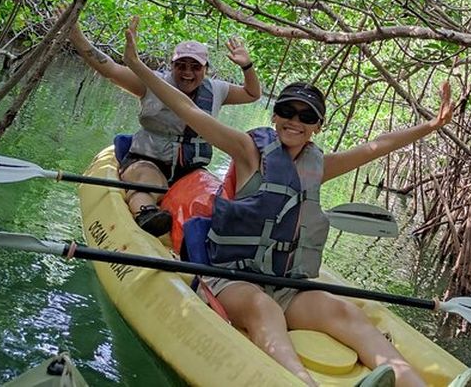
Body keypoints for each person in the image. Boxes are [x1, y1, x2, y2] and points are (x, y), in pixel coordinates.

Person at [123, 20, 452, 387]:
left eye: (306, 116)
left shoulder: (319, 166)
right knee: (263, 309)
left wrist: (430, 126)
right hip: (232, 278)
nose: (295, 121)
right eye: (288, 112)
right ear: (275, 115)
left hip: (283, 283)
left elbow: (378, 144)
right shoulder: (248, 151)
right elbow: (189, 110)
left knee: (343, 311)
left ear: (317, 126)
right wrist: (136, 65)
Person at [67, 13, 261, 236]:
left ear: (205, 68)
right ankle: (147, 214)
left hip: (189, 170)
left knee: (211, 200)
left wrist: (247, 66)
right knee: (149, 183)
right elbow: (109, 69)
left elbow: (252, 93)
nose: (187, 73)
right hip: (149, 160)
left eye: (195, 67)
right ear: (172, 65)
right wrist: (76, 35)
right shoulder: (151, 83)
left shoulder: (218, 90)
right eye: (181, 65)